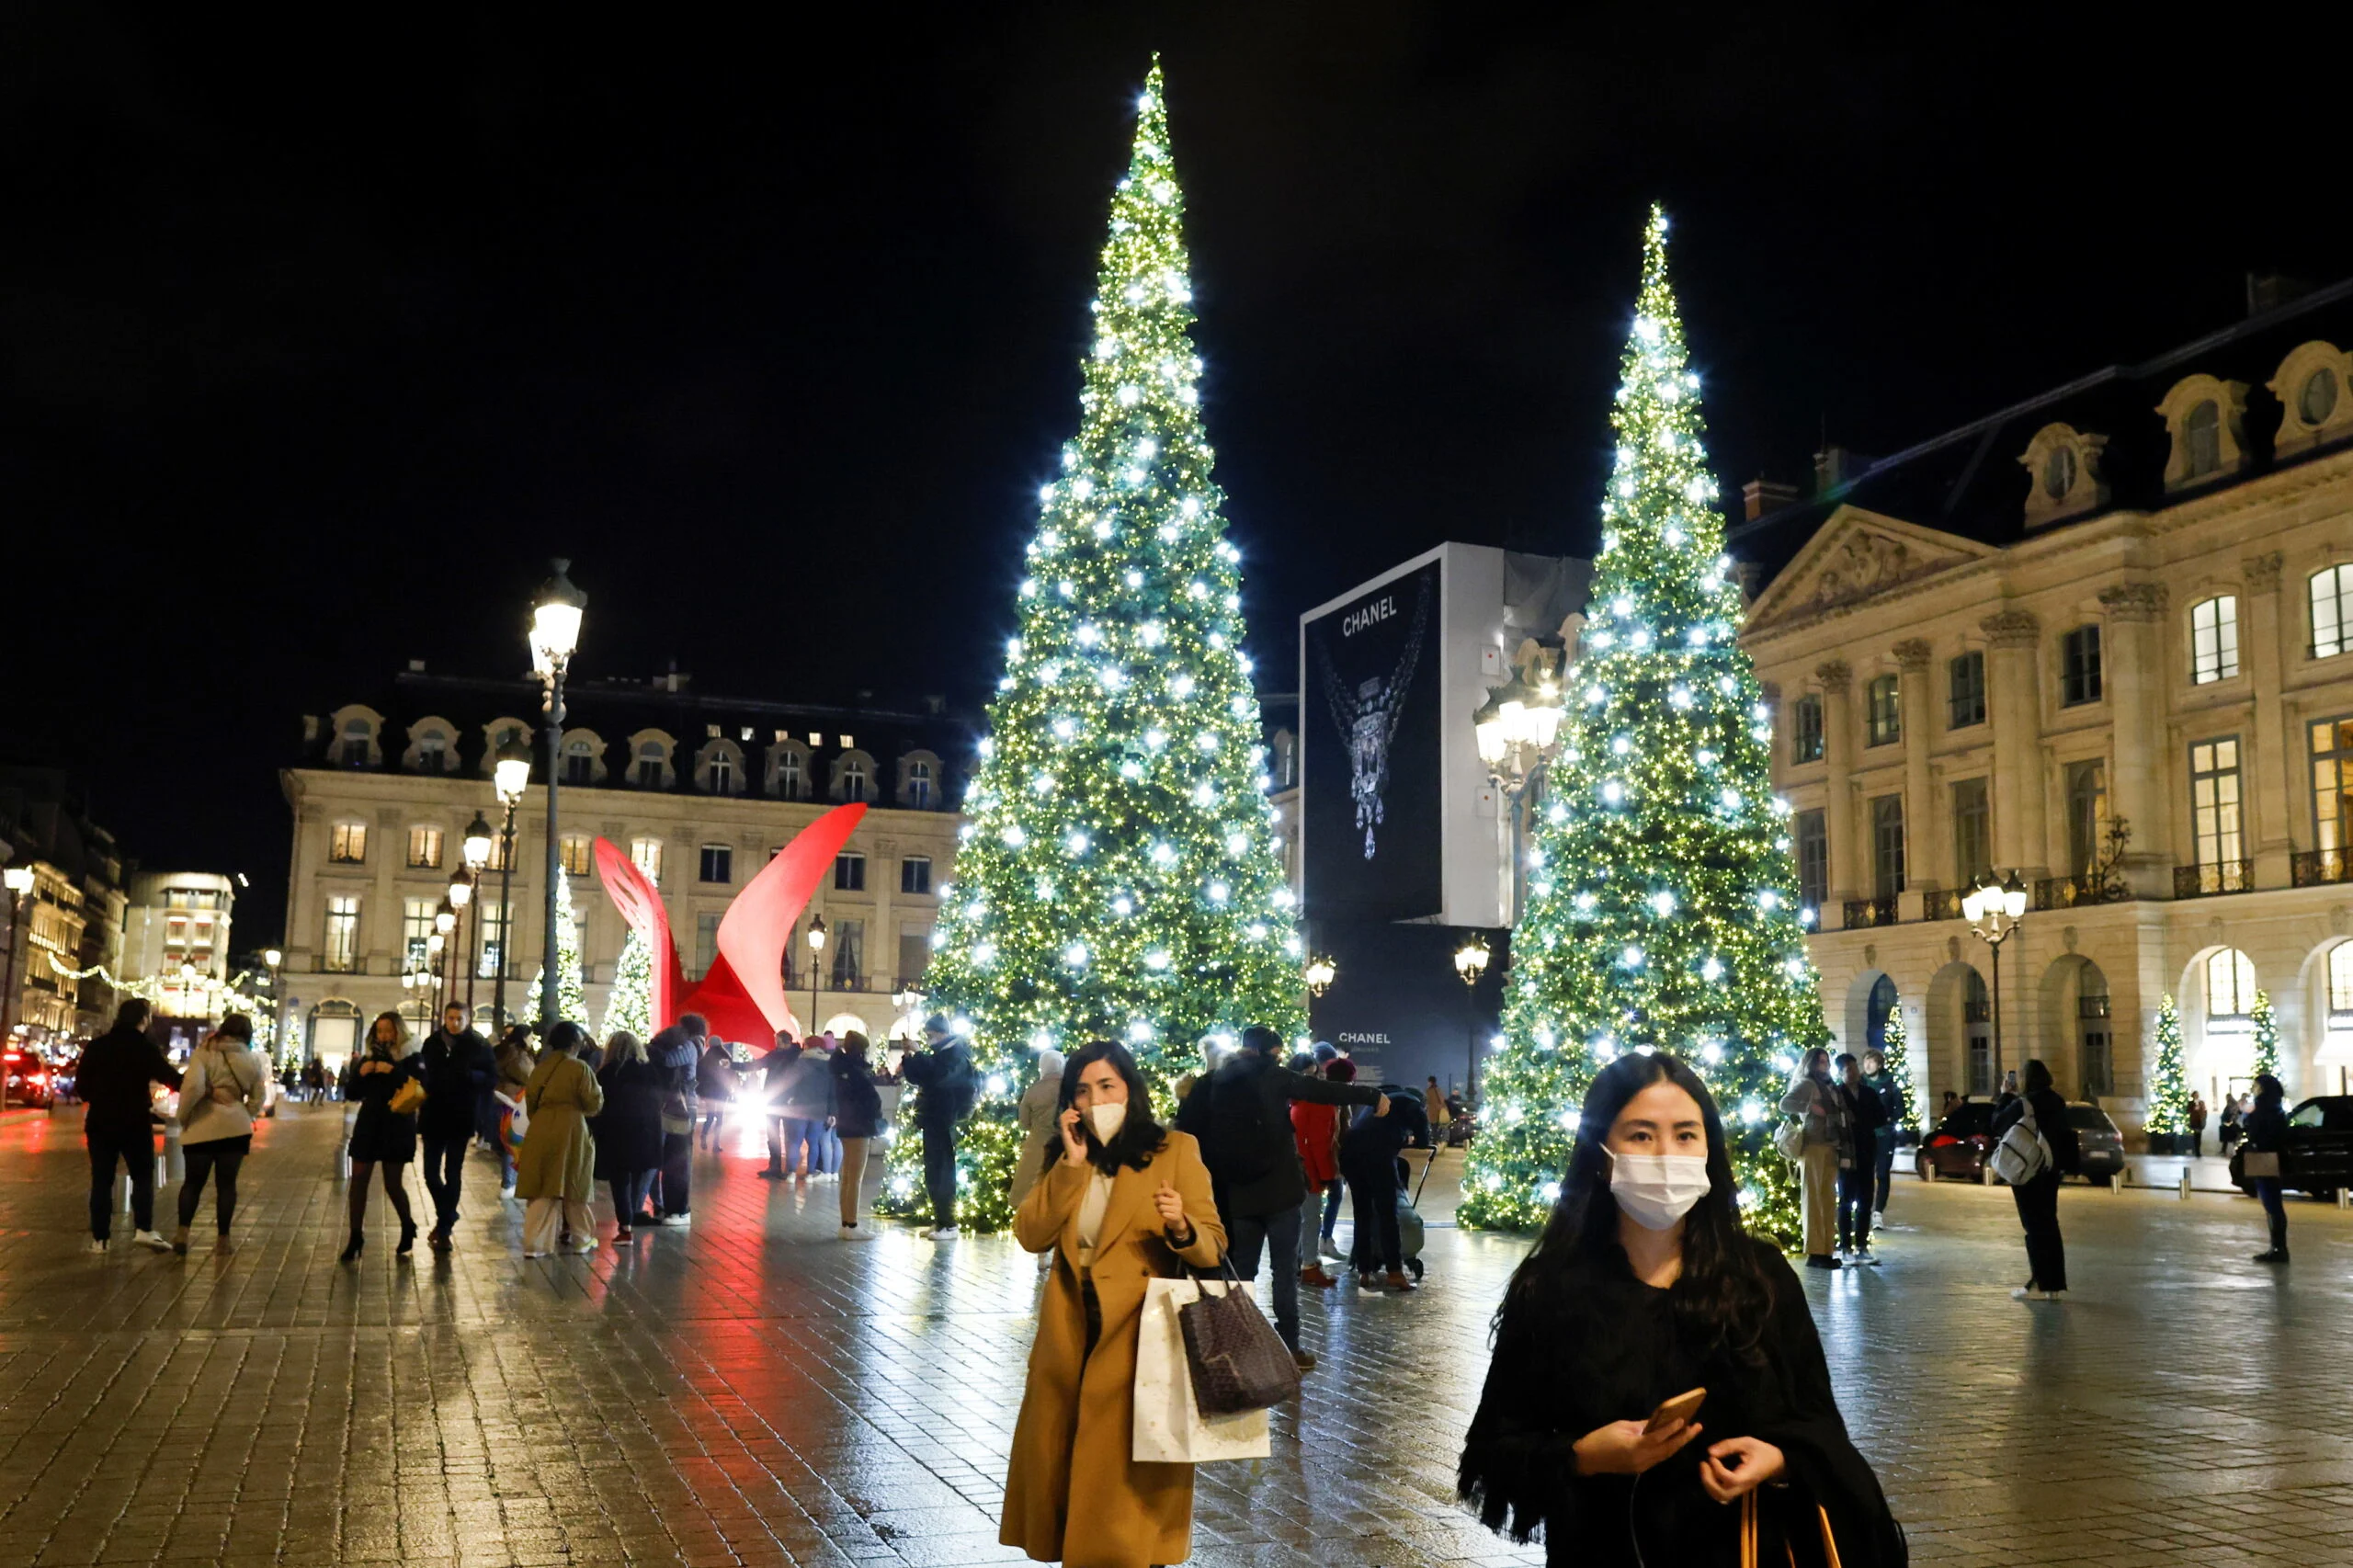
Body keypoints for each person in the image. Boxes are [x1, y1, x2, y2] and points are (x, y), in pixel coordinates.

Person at [1458, 1051, 1907, 1567]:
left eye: (1686, 1135)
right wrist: (1584, 1457)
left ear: (1708, 1150)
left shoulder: (1759, 1279)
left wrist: (1780, 1458)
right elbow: (1491, 1456)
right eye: (1642, 1135)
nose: (1666, 1154)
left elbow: (1820, 1425)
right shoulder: (1553, 1289)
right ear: (1603, 1154)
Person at [1000, 1040, 1226, 1568]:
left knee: (1127, 1492)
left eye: (1107, 1086)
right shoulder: (1065, 1153)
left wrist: (1180, 1226)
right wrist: (1071, 1165)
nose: (1096, 1098)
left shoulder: (1175, 1149)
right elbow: (1030, 1234)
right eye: (1083, 1088)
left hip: (1143, 1336)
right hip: (1070, 1330)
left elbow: (1213, 1244)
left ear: (1130, 1089)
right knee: (1070, 1465)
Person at [1176, 1023, 1387, 1368]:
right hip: (1281, 1191)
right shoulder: (1274, 1077)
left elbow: (1186, 1130)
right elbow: (1324, 1091)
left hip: (1239, 1194)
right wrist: (1373, 1096)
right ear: (1268, 1052)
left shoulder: (1213, 1084)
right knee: (1285, 1271)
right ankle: (1291, 1348)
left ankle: (1238, 1345)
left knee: (1242, 1272)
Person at [77, 999, 182, 1255]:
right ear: (144, 1020)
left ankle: (101, 1239)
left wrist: (101, 1096)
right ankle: (144, 1230)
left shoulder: (98, 1046)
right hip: (134, 1120)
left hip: (101, 1120)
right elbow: (172, 1079)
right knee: (142, 1176)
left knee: (101, 1179)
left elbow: (81, 1088)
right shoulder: (145, 1048)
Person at [173, 1012, 270, 1256]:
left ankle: (183, 1233)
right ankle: (223, 1240)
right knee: (227, 1185)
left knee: (193, 1183)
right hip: (235, 1129)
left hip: (202, 1125)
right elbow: (260, 1098)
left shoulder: (205, 1052)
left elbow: (192, 1087)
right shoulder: (252, 1060)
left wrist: (184, 1117)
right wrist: (244, 1114)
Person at [1991, 1058, 2080, 1301]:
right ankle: (2054, 1285)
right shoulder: (2057, 1101)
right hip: (2050, 1170)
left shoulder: (2025, 1103)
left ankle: (2039, 1281)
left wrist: (2005, 1096)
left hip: (2027, 1171)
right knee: (2050, 1224)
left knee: (2033, 1228)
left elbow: (1997, 1123)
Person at [517, 1020, 605, 1257]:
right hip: (571, 1128)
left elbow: (531, 1103)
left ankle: (535, 1244)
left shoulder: (540, 1068)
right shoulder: (579, 1068)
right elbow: (594, 1103)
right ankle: (582, 1238)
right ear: (575, 1043)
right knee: (575, 1183)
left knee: (543, 1185)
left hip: (541, 1126)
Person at [343, 1012, 424, 1262]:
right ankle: (356, 1236)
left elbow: (420, 1086)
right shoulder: (368, 1058)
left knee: (393, 1183)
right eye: (380, 1031)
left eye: (389, 1030)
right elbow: (352, 1093)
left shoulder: (413, 1057)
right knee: (358, 1181)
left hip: (397, 1124)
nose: (384, 1036)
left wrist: (393, 1070)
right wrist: (361, 1073)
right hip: (369, 1122)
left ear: (399, 1031)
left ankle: (408, 1226)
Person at [415, 1002, 494, 1252]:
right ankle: (448, 1214)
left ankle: (445, 1228)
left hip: (461, 1115)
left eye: (460, 1018)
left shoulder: (479, 1045)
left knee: (453, 1172)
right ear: (444, 1018)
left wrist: (472, 1076)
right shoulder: (432, 1043)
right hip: (433, 1115)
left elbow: (491, 1077)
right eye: (451, 1018)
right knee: (429, 1173)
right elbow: (421, 1073)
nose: (455, 1022)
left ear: (468, 1019)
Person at [1338, 1070, 1415, 1294]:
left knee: (1362, 1214)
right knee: (1388, 1214)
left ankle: (1364, 1271)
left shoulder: (1371, 1108)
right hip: (1378, 1159)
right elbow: (1422, 1135)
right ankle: (1394, 1272)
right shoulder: (1408, 1104)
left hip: (1351, 1156)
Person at [900, 1015, 976, 1237]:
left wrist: (920, 1053)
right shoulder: (941, 1054)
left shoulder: (956, 1053)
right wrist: (909, 1055)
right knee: (933, 1170)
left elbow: (940, 1076)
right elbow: (919, 1077)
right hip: (933, 1118)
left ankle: (949, 1224)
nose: (928, 1039)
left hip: (945, 1118)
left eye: (930, 1035)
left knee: (942, 1171)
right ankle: (941, 1221)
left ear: (942, 1033)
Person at [593, 1030, 665, 1241]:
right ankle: (633, 1213)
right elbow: (660, 1099)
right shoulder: (649, 1070)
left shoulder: (607, 1072)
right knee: (638, 1176)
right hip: (646, 1132)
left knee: (620, 1180)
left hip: (617, 1133)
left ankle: (625, 1227)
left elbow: (598, 1103)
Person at [1779, 1048, 1847, 1270]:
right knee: (1814, 1200)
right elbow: (1785, 1103)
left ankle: (1827, 1250)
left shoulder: (1830, 1086)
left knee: (1827, 1199)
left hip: (1831, 1145)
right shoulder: (1808, 1084)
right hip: (1814, 1146)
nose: (1824, 1065)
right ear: (1811, 1064)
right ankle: (1815, 1252)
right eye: (1820, 1062)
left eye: (1826, 1061)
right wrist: (1809, 1107)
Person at [1292, 1057, 1346, 1290]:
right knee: (1312, 1219)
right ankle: (1310, 1266)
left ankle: (1300, 1262)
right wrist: (1327, 1174)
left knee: (1300, 1218)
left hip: (1294, 1168)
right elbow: (1319, 1143)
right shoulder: (1320, 1105)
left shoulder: (1294, 1102)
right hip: (1310, 1171)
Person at [646, 1014, 703, 1223]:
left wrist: (650, 1050)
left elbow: (670, 1061)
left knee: (678, 1159)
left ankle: (679, 1210)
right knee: (670, 1157)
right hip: (674, 1106)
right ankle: (668, 1207)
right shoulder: (687, 1046)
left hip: (682, 1107)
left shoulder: (688, 1046)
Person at [830, 1032, 887, 1239]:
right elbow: (871, 1099)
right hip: (859, 1126)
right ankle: (851, 1225)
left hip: (846, 1124)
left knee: (847, 1176)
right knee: (855, 1177)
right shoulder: (856, 1071)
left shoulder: (841, 1068)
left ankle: (846, 1222)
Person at [1833, 1053, 1884, 1266]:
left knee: (1865, 1199)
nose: (1853, 1072)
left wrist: (1862, 1121)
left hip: (1866, 1150)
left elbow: (1881, 1116)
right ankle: (1845, 1246)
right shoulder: (1836, 1094)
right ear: (1841, 1073)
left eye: (1854, 1068)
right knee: (1846, 1200)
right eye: (1848, 1069)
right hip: (1846, 1153)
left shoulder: (1868, 1092)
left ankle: (1862, 1245)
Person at [774, 1032, 837, 1179]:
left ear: (807, 1047)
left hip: (799, 1108)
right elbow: (832, 1092)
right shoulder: (828, 1066)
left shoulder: (799, 1063)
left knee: (795, 1142)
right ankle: (810, 1173)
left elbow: (788, 1085)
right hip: (818, 1110)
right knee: (813, 1143)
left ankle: (791, 1173)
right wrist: (832, 1112)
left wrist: (785, 1101)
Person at [1010, 1048, 1066, 1212]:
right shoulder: (1070, 1090)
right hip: (1064, 1146)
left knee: (1029, 1192)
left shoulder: (1033, 1091)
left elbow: (1024, 1122)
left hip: (1036, 1147)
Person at [2245, 1074, 2290, 1264]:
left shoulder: (2263, 1107)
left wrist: (2248, 1114)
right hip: (2271, 1156)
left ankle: (2278, 1248)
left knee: (2271, 1203)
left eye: (2256, 1086)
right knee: (2272, 1203)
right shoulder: (2276, 1106)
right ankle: (2278, 1246)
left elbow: (2253, 1129)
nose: (2254, 1089)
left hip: (2264, 1156)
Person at [492, 1025, 536, 1198]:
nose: (533, 1040)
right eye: (531, 1036)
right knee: (514, 1143)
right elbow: (529, 1076)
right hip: (513, 1100)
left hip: (504, 1097)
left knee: (510, 1142)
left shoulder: (505, 1050)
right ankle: (509, 1184)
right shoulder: (517, 1055)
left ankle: (510, 1182)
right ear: (524, 1037)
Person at [1859, 1049, 1901, 1229]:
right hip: (1864, 1135)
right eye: (1866, 1061)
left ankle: (1878, 1213)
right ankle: (1863, 1210)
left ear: (1879, 1064)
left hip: (1884, 1135)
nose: (1868, 1065)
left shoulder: (1890, 1085)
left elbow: (1900, 1109)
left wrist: (1889, 1119)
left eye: (1872, 1061)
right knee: (1864, 1174)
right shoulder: (1859, 1083)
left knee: (1882, 1173)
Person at [697, 1032, 737, 1148]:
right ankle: (716, 1143)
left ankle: (704, 1135)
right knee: (720, 1116)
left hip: (708, 1092)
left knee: (710, 1115)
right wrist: (731, 1088)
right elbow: (731, 1073)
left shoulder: (704, 1058)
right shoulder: (726, 1056)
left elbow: (699, 1075)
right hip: (722, 1090)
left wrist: (701, 1091)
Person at [1424, 1075, 1449, 1142]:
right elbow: (1442, 1100)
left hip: (1433, 1112)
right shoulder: (1439, 1090)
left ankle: (1435, 1141)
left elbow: (1428, 1101)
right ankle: (1438, 1140)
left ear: (1430, 1082)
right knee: (1439, 1127)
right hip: (1440, 1112)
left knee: (1433, 1127)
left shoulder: (1429, 1091)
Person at [2188, 1092, 2209, 1158]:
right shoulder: (2191, 1103)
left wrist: (2203, 1117)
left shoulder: (2201, 1102)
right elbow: (2188, 1110)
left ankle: (2198, 1151)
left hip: (2200, 1121)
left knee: (2199, 1137)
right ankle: (2196, 1151)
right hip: (2194, 1121)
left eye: (2197, 1095)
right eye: (2195, 1095)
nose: (2196, 1096)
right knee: (2196, 1137)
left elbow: (2204, 1110)